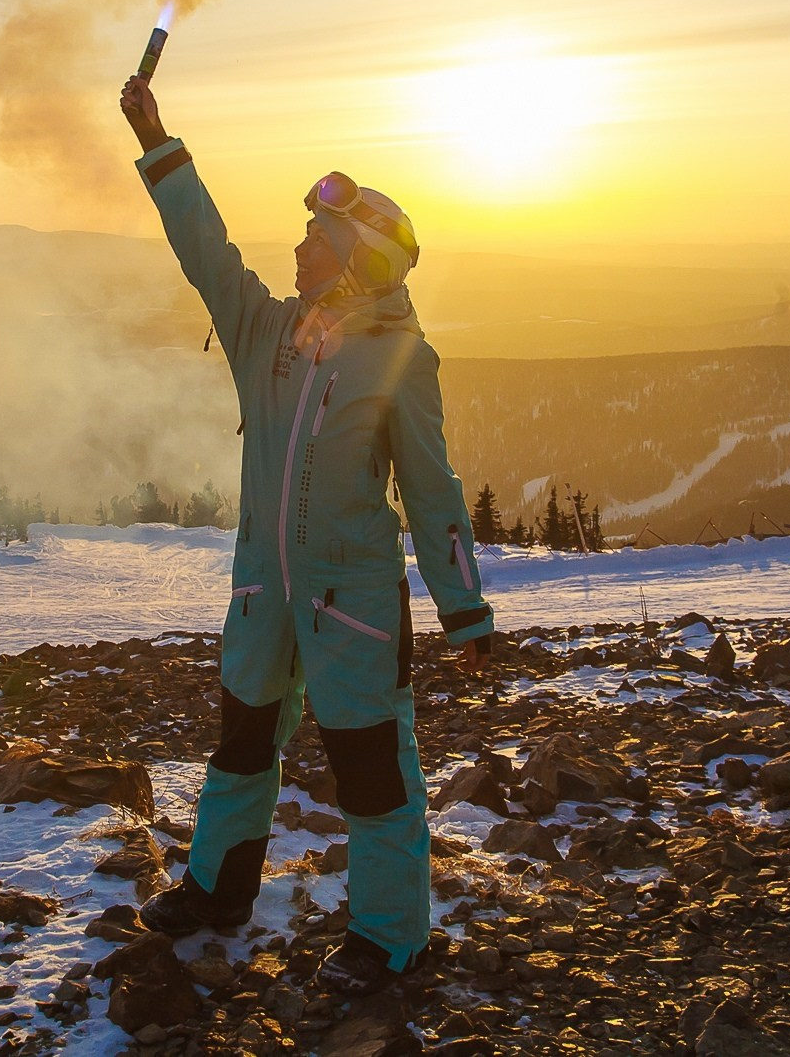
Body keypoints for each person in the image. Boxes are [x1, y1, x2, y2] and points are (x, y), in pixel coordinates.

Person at [119, 74, 494, 996]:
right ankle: (219, 886)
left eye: (313, 238)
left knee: (370, 767)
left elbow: (435, 489)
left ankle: (391, 934)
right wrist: (160, 141)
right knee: (242, 738)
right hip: (265, 589)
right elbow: (206, 250)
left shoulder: (401, 360)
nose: (294, 246)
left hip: (352, 599)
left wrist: (466, 609)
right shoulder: (269, 334)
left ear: (353, 260)